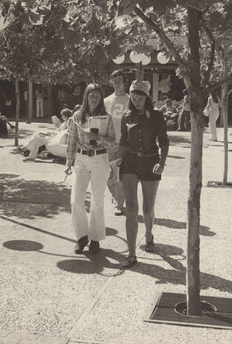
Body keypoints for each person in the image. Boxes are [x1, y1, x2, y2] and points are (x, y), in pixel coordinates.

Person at [118, 79, 169, 268]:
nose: (137, 102)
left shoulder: (156, 116)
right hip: (130, 162)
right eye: (133, 98)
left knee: (148, 209)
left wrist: (161, 163)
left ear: (146, 98)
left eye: (140, 99)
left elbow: (164, 141)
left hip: (150, 161)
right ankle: (131, 254)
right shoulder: (126, 116)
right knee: (131, 209)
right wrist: (116, 163)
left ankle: (148, 235)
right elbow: (123, 141)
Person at [65, 83, 115, 254]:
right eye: (91, 95)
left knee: (97, 200)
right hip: (81, 159)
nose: (94, 98)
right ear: (86, 97)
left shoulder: (106, 117)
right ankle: (81, 236)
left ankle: (95, 238)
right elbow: (71, 138)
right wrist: (69, 161)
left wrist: (97, 137)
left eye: (97, 96)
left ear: (101, 98)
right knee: (76, 199)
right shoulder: (77, 116)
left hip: (99, 158)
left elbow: (112, 142)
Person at [104, 70, 130, 216]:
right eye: (114, 79)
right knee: (108, 176)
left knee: (119, 175)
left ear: (125, 82)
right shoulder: (106, 101)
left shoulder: (130, 100)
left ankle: (119, 203)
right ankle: (116, 197)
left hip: (123, 144)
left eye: (119, 80)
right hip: (107, 144)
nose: (117, 82)